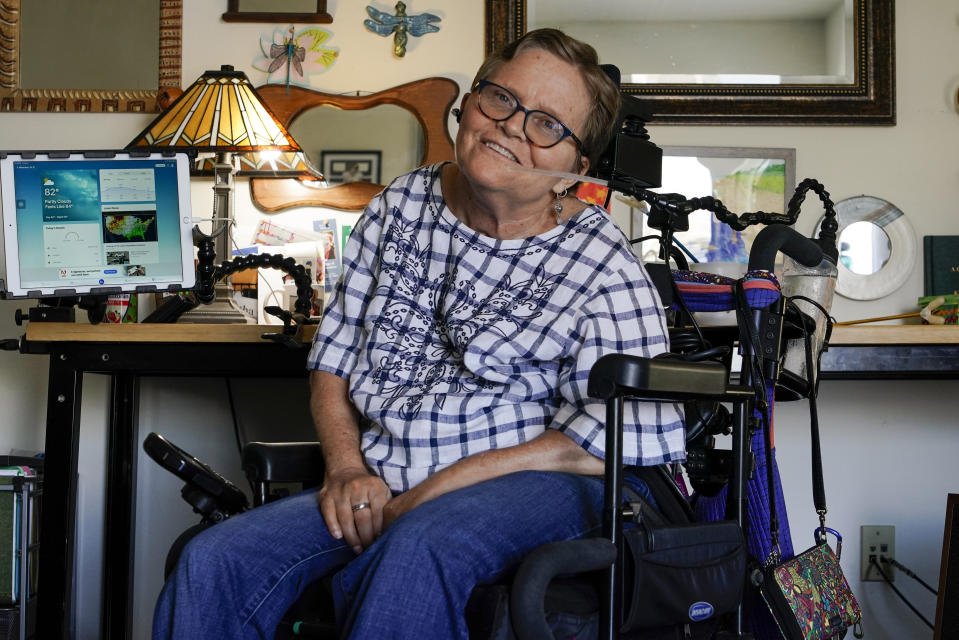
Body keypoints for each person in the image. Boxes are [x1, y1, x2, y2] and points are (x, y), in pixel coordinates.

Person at [153, 28, 684, 639]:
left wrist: (443, 486)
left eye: (547, 125)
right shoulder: (402, 203)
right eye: (502, 100)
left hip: (539, 485)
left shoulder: (600, 259)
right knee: (214, 561)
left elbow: (615, 437)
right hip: (385, 477)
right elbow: (335, 360)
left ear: (576, 169)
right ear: (469, 104)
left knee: (419, 547)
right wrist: (346, 469)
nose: (512, 126)